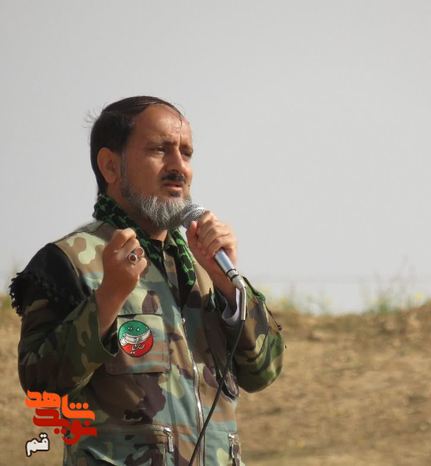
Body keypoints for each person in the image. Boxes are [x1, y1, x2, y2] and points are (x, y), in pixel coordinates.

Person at [10, 96, 285, 466]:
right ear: (111, 166)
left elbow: (264, 372)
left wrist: (229, 290)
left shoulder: (204, 265)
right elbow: (40, 384)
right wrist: (107, 300)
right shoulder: (69, 262)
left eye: (186, 153)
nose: (179, 167)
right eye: (159, 150)